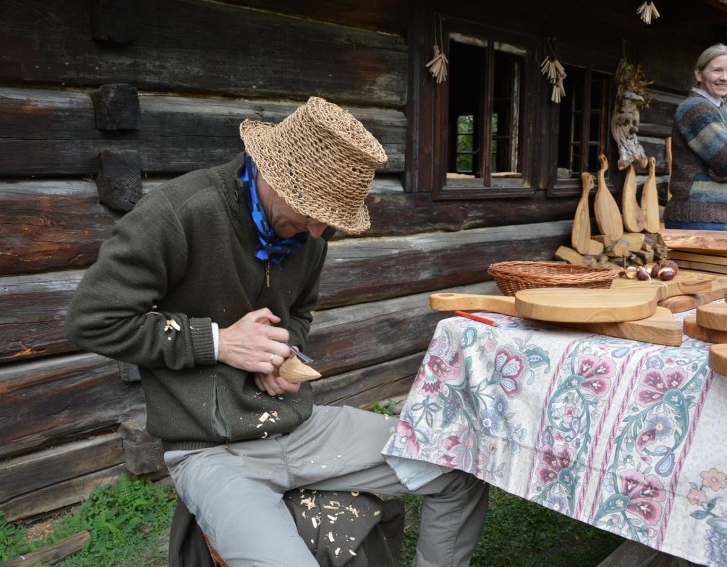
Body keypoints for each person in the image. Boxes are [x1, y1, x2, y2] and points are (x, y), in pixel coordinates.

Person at [65, 96, 489, 566]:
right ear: (272, 171)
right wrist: (221, 343)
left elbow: (299, 314)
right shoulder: (180, 214)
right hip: (212, 451)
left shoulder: (312, 234)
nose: (316, 231)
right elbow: (92, 319)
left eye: (329, 219)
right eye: (310, 211)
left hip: (303, 429)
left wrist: (283, 351)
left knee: (459, 468)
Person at [664, 44, 727, 230]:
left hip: (709, 217)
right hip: (694, 217)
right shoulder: (696, 108)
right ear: (699, 74)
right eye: (717, 70)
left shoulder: (720, 109)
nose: (725, 77)